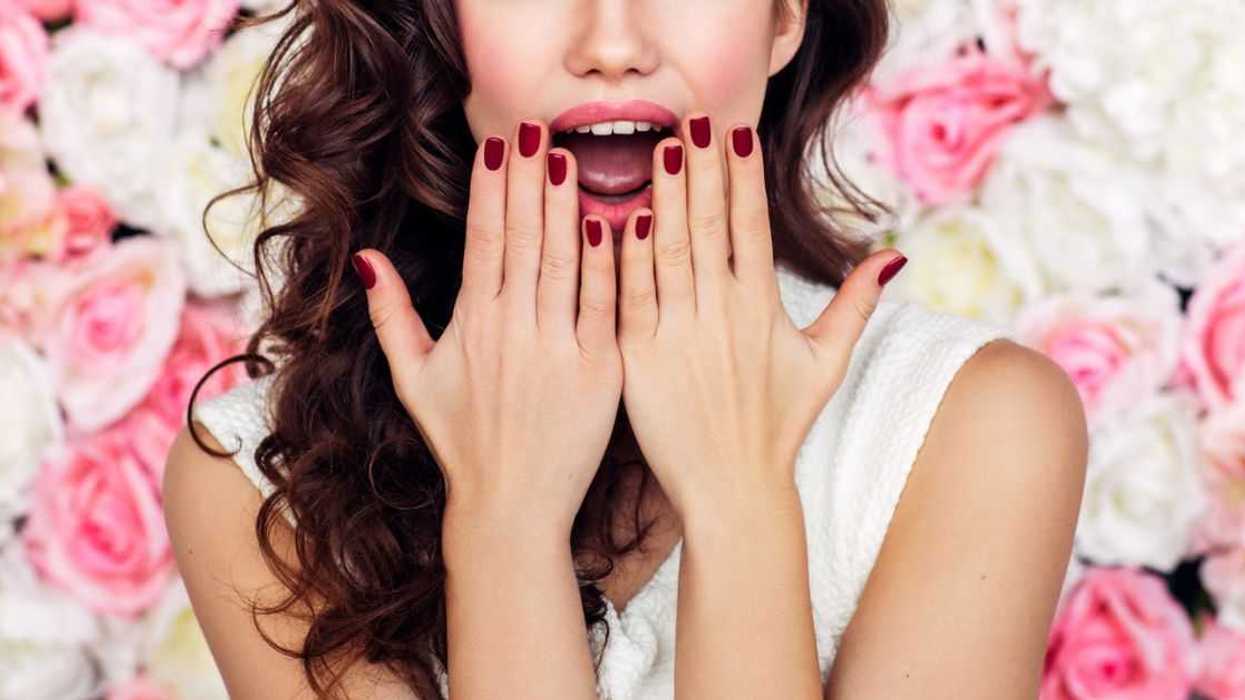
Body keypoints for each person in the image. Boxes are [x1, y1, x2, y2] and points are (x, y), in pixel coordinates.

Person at [162, 1, 1089, 698]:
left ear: (785, 16)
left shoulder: (970, 428)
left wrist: (736, 494)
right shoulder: (256, 481)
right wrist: (504, 521)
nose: (611, 45)